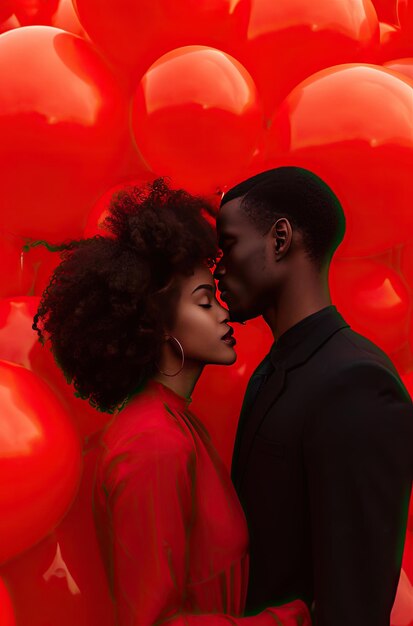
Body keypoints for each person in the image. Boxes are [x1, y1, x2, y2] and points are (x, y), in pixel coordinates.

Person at [33, 179, 311, 626]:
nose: (223, 312)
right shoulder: (153, 444)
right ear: (158, 327)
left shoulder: (176, 424)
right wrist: (291, 620)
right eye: (204, 302)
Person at [214, 165, 413, 626]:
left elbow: (354, 605)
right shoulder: (271, 370)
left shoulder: (358, 382)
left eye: (228, 246)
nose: (219, 270)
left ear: (280, 239)